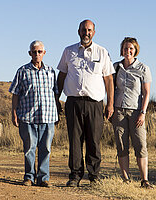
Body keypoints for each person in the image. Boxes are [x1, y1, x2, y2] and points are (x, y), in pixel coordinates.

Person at [57, 19, 115, 187]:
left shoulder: (102, 52)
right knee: (75, 140)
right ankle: (75, 175)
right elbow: (61, 76)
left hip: (95, 104)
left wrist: (109, 104)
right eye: (84, 30)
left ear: (94, 33)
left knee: (94, 140)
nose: (86, 33)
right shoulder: (68, 51)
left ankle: (94, 176)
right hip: (73, 102)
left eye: (89, 30)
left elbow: (109, 79)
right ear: (78, 31)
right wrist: (56, 99)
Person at [9, 40, 59, 187]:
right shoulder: (22, 71)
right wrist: (14, 113)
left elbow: (55, 93)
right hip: (28, 116)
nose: (37, 54)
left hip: (48, 116)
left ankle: (43, 178)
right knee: (29, 148)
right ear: (29, 53)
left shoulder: (50, 71)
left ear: (44, 53)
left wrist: (57, 112)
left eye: (39, 51)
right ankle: (29, 177)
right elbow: (15, 93)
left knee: (46, 148)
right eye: (34, 51)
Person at [111, 37, 153, 189]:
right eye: (125, 48)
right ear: (121, 50)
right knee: (121, 144)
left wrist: (143, 112)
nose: (127, 51)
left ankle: (144, 180)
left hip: (136, 111)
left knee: (140, 144)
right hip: (119, 111)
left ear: (135, 50)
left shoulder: (143, 68)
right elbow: (111, 89)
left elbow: (146, 92)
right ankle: (126, 179)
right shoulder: (115, 67)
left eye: (131, 48)